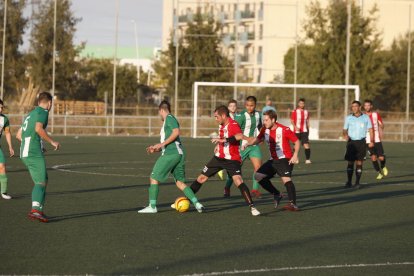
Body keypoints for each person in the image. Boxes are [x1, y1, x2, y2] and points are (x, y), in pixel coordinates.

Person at [190, 105, 260, 216]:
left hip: (232, 159)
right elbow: (223, 137)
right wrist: (219, 144)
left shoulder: (233, 124)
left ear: (223, 115)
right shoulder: (221, 125)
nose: (215, 119)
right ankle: (186, 200)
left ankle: (252, 207)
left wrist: (223, 140)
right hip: (218, 157)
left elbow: (239, 135)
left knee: (238, 181)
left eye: (216, 116)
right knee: (201, 178)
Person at [138, 100, 204, 213]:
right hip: (177, 154)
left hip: (171, 154)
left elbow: (176, 132)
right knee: (180, 183)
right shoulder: (169, 120)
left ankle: (152, 206)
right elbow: (171, 142)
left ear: (161, 110)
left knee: (153, 177)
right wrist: (156, 148)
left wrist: (162, 144)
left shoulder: (169, 118)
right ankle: (197, 204)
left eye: (159, 112)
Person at [16, 92, 60, 223]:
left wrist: (36, 145)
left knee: (43, 179)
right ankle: (35, 210)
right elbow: (38, 129)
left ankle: (38, 209)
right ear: (49, 103)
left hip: (25, 151)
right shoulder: (43, 112)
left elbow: (18, 135)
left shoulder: (31, 114)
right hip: (32, 152)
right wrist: (52, 142)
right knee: (41, 181)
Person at [246, 110, 301, 211]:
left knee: (286, 180)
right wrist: (248, 143)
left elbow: (296, 141)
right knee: (258, 176)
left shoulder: (284, 129)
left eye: (266, 120)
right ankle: (276, 194)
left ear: (273, 120)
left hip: (285, 159)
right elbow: (258, 139)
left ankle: (293, 204)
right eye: (263, 120)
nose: (264, 122)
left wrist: (295, 155)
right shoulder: (264, 129)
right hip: (273, 160)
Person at [223, 96, 263, 198]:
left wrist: (261, 137)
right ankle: (227, 187)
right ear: (245, 105)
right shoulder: (241, 116)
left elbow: (260, 126)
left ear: (255, 105)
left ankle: (255, 190)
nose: (250, 107)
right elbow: (234, 130)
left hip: (253, 145)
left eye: (252, 105)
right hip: (241, 147)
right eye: (247, 105)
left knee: (258, 168)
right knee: (235, 170)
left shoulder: (259, 114)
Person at [343, 100, 374, 189]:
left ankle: (357, 182)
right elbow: (344, 129)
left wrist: (371, 141)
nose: (354, 108)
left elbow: (371, 130)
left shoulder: (366, 118)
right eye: (352, 106)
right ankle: (349, 181)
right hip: (351, 143)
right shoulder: (348, 118)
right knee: (350, 162)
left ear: (360, 107)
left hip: (361, 142)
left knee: (359, 162)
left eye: (356, 106)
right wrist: (345, 135)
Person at [363, 100, 388, 180]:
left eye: (368, 105)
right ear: (364, 107)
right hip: (367, 140)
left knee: (381, 158)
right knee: (373, 157)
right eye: (365, 105)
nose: (367, 107)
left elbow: (381, 124)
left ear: (371, 106)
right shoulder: (362, 116)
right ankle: (379, 173)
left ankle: (383, 166)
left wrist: (381, 127)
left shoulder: (375, 114)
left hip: (376, 139)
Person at [217, 99, 238, 181]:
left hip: (234, 141)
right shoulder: (226, 117)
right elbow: (221, 129)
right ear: (228, 107)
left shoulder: (238, 116)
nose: (233, 107)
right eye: (231, 106)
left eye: (234, 106)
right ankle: (221, 169)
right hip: (226, 140)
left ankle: (221, 169)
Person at [0, 100, 15, 200]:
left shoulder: (4, 119)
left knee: (2, 166)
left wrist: (10, 146)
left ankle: (3, 192)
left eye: (2, 107)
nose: (1, 109)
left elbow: (8, 133)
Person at [291, 98, 311, 164]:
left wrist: (308, 130)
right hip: (296, 131)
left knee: (306, 145)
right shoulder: (294, 111)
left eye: (303, 103)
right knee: (296, 145)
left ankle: (307, 159)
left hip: (304, 131)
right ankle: (296, 158)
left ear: (304, 104)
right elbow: (292, 120)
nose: (301, 104)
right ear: (298, 104)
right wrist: (295, 127)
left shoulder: (306, 112)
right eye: (300, 103)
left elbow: (307, 121)